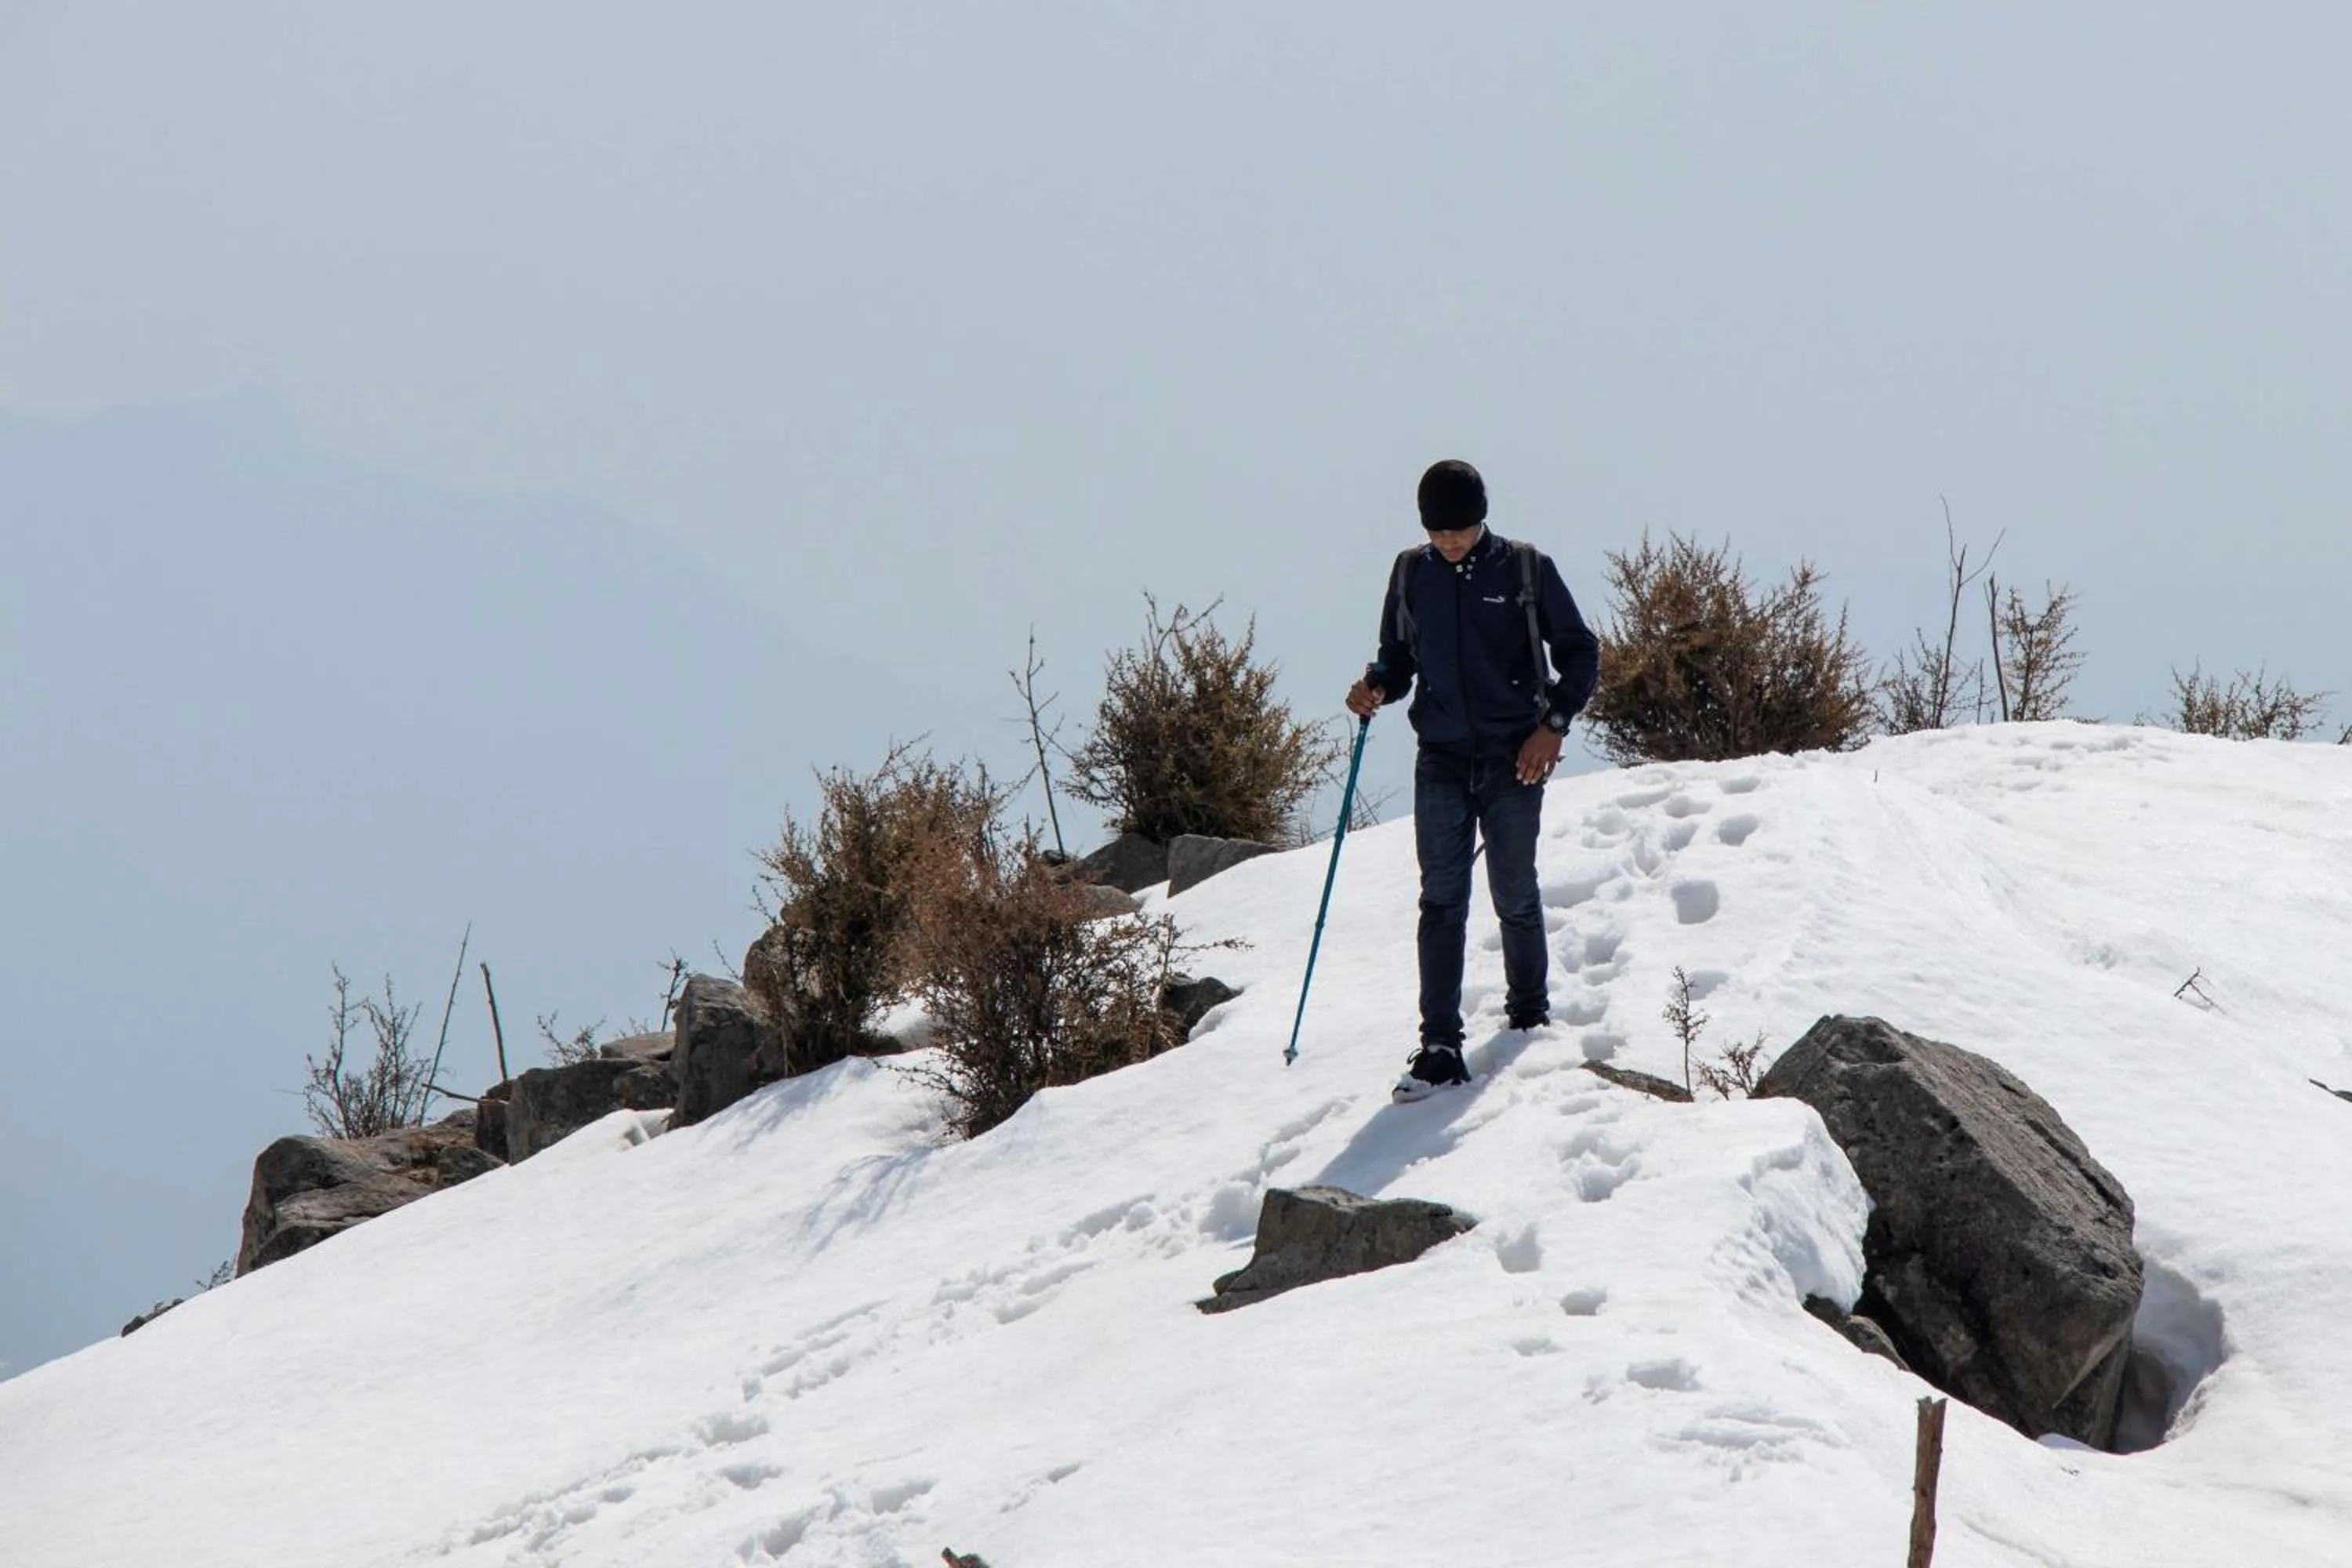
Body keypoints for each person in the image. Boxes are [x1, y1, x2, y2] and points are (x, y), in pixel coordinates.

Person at [1345, 459, 1602, 1102]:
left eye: (1459, 530)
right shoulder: (1412, 573)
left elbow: (1580, 650)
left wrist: (1555, 724)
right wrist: (1378, 684)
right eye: (1438, 532)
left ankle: (1528, 1016)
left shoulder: (1523, 567)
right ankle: (1439, 1046)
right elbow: (1399, 658)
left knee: (1513, 889)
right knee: (1441, 899)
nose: (1449, 542)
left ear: (1482, 518)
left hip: (1515, 751)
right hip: (1441, 755)